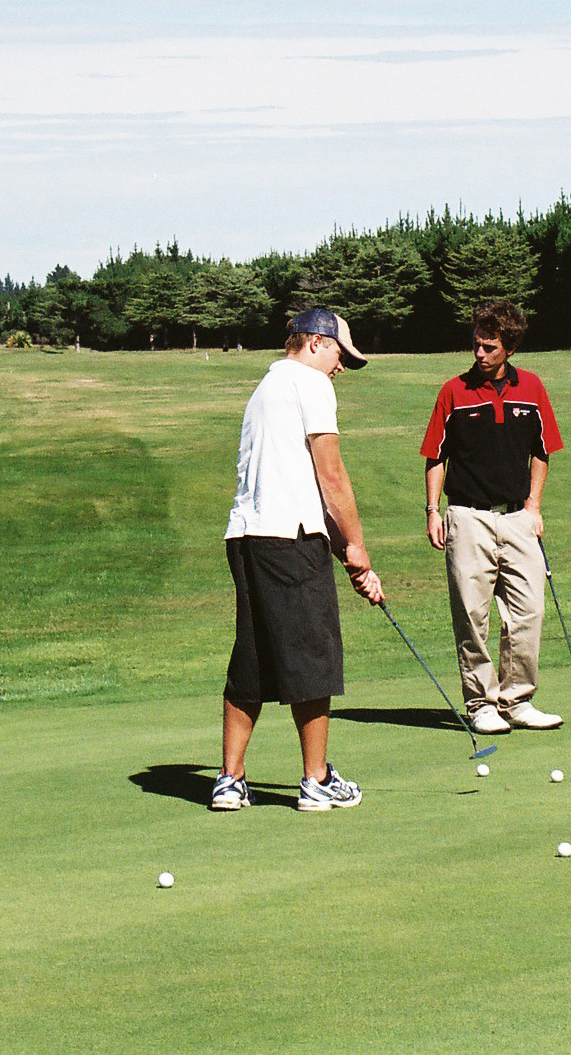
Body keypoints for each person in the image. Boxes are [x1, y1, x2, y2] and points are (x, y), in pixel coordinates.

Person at [214, 308, 383, 813]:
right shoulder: (311, 385)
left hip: (247, 540)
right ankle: (317, 780)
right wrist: (357, 549)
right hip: (289, 543)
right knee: (314, 656)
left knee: (255, 656)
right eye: (338, 355)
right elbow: (330, 477)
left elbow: (294, 485)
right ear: (314, 342)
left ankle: (229, 780)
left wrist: (344, 551)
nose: (340, 368)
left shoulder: (265, 389)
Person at [420, 300, 565, 735]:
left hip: (519, 517)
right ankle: (481, 703)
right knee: (472, 614)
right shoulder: (453, 391)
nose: (479, 354)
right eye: (476, 346)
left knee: (528, 610)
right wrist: (432, 511)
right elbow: (435, 456)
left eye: (489, 347)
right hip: (467, 517)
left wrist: (535, 506)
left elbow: (542, 451)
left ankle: (517, 699)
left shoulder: (533, 388)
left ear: (510, 347)